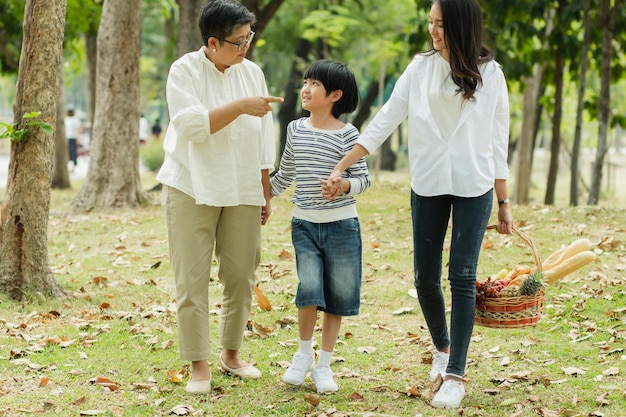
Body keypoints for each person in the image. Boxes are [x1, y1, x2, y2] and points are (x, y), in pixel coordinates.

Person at [322, 0, 514, 409]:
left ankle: (456, 375)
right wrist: (344, 163)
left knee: (462, 275)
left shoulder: (491, 75)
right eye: (430, 23)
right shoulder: (420, 67)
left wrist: (503, 200)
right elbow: (387, 118)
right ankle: (442, 349)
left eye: (441, 24)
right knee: (424, 277)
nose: (434, 31)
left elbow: (499, 141)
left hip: (474, 184)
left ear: (461, 26)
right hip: (429, 182)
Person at [155, 0, 283, 395]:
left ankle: (231, 354)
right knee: (192, 280)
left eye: (249, 38)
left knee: (241, 274)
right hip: (190, 184)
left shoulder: (253, 72)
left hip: (243, 183)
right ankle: (198, 364)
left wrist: (265, 186)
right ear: (213, 42)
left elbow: (264, 135)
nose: (246, 48)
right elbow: (193, 126)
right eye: (238, 41)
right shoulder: (185, 71)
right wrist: (241, 106)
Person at [270, 59, 370, 393]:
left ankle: (324, 366)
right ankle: (302, 354)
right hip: (305, 226)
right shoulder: (295, 129)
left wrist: (342, 186)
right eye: (306, 81)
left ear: (335, 95)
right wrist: (262, 195)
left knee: (338, 296)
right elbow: (284, 174)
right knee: (309, 289)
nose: (306, 89)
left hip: (342, 227)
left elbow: (363, 179)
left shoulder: (348, 135)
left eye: (315, 84)